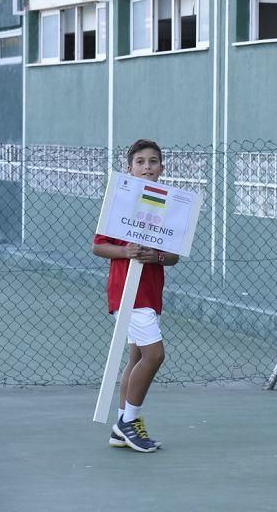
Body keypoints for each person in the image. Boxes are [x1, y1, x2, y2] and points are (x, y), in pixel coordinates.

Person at [92, 139, 179, 453]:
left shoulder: (169, 205)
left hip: (150, 291)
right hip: (128, 293)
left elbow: (172, 256)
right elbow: (98, 246)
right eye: (140, 161)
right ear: (129, 169)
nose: (147, 167)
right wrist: (126, 251)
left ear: (161, 168)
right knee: (155, 355)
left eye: (153, 161)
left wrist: (154, 256)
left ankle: (120, 427)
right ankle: (129, 421)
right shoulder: (119, 202)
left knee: (136, 357)